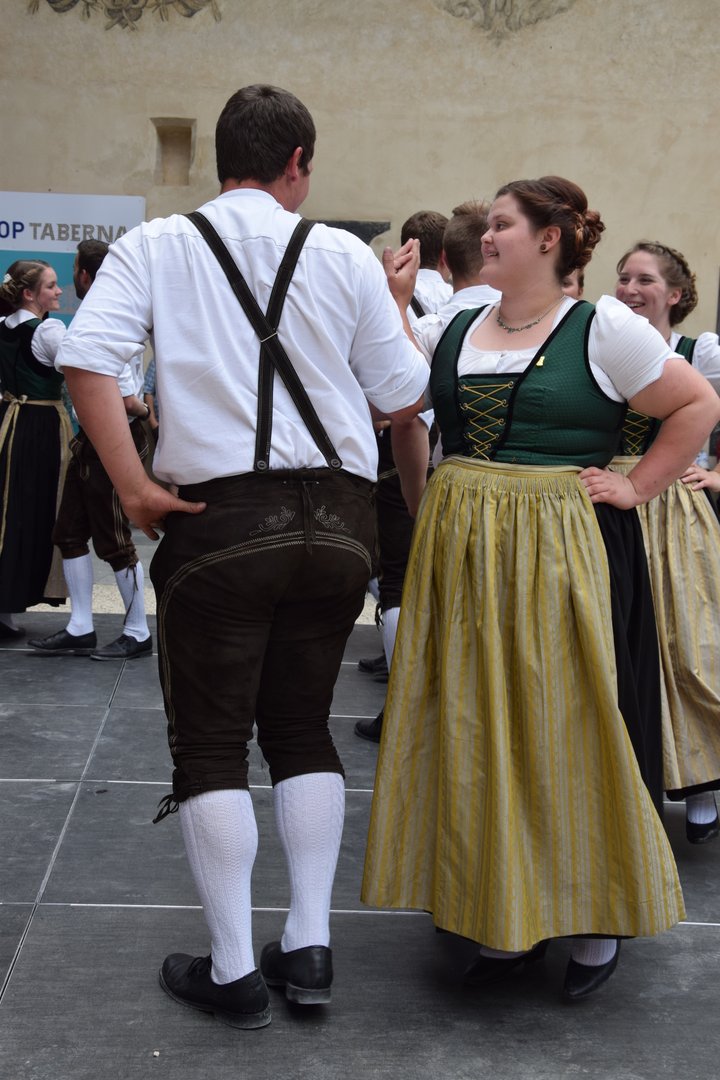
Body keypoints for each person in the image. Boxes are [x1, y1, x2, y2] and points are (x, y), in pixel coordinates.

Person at [55, 83, 428, 1030]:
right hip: (340, 522)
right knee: (302, 728)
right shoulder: (342, 254)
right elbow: (403, 395)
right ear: (297, 161)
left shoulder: (156, 243)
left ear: (226, 157)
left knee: (213, 744)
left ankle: (232, 971)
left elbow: (87, 359)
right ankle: (309, 946)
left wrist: (133, 487)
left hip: (221, 523)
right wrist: (387, 306)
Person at [362, 176, 720, 1002]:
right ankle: (503, 913)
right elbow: (404, 409)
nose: (485, 237)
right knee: (477, 725)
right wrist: (396, 307)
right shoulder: (456, 326)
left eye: (501, 225)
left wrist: (637, 486)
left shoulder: (601, 328)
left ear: (550, 238)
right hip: (466, 552)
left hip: (563, 549)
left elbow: (695, 405)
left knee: (571, 724)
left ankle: (594, 919)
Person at [355, 199, 501, 742]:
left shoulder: (437, 326)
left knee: (407, 581)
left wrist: (419, 500)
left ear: (442, 260)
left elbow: (400, 412)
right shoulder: (566, 323)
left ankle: (412, 708)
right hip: (530, 505)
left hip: (446, 484)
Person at [614, 240, 720, 841]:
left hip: (673, 511)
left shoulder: (696, 352)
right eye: (624, 277)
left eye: (645, 280)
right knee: (632, 648)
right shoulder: (603, 341)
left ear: (675, 294)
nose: (630, 289)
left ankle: (703, 781)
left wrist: (718, 474)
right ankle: (642, 781)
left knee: (687, 645)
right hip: (615, 504)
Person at [29, 240, 153, 661]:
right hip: (95, 437)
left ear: (84, 275)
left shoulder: (105, 318)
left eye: (73, 273)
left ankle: (137, 631)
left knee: (115, 539)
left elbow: (124, 400)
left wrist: (140, 410)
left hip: (113, 436)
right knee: (68, 532)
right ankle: (80, 627)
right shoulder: (106, 314)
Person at [0, 260, 69, 637]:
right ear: (29, 294)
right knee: (32, 510)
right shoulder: (47, 331)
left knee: (9, 509)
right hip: (40, 427)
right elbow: (76, 369)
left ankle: (6, 608)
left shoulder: (4, 327)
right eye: (51, 285)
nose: (58, 291)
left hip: (8, 422)